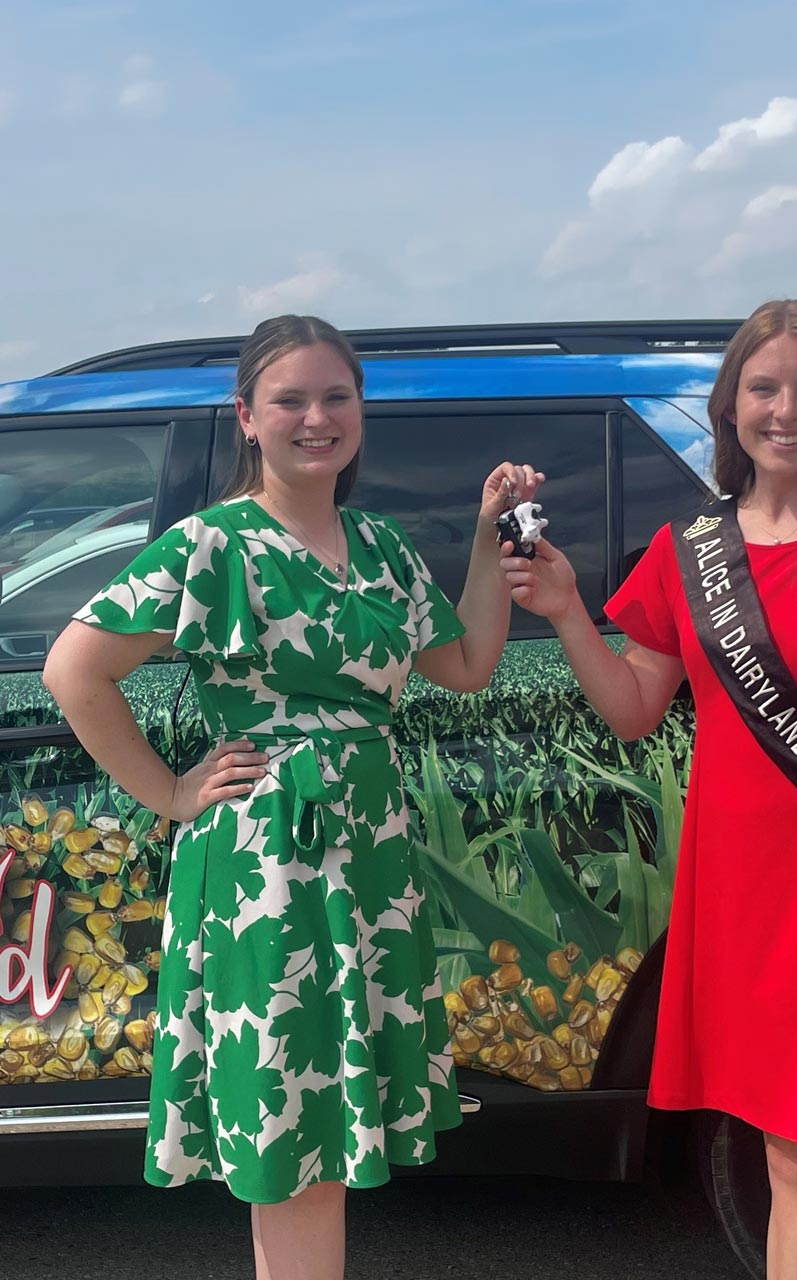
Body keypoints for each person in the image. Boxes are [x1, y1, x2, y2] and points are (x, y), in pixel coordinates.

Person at [44, 313, 543, 1280]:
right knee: (288, 1133)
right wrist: (170, 792)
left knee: (325, 1136)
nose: (317, 418)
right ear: (247, 418)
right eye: (291, 400)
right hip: (267, 857)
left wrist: (488, 542)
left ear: (359, 411)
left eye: (336, 398)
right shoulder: (211, 545)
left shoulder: (385, 546)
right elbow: (75, 669)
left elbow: (472, 664)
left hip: (369, 851)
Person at [499, 299, 797, 1280]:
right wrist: (564, 614)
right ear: (731, 408)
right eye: (764, 387)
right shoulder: (691, 552)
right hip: (733, 887)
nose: (787, 407)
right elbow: (637, 707)